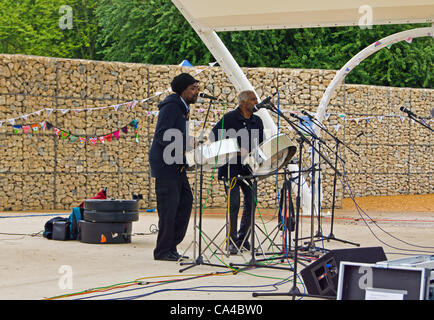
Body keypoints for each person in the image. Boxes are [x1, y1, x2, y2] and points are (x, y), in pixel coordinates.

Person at [149, 73, 199, 261]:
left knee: (185, 202)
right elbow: (163, 135)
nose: (197, 92)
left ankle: (171, 247)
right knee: (169, 208)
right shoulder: (171, 106)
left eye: (197, 88)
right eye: (193, 88)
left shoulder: (182, 107)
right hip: (166, 164)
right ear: (183, 90)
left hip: (176, 164)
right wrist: (186, 141)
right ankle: (162, 251)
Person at [210, 90, 264, 254]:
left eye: (256, 99)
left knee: (251, 202)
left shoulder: (257, 121)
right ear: (243, 103)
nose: (256, 102)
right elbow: (214, 137)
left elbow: (260, 143)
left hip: (248, 168)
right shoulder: (229, 118)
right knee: (234, 204)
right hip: (230, 167)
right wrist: (234, 149)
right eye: (253, 99)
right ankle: (231, 241)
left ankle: (243, 239)